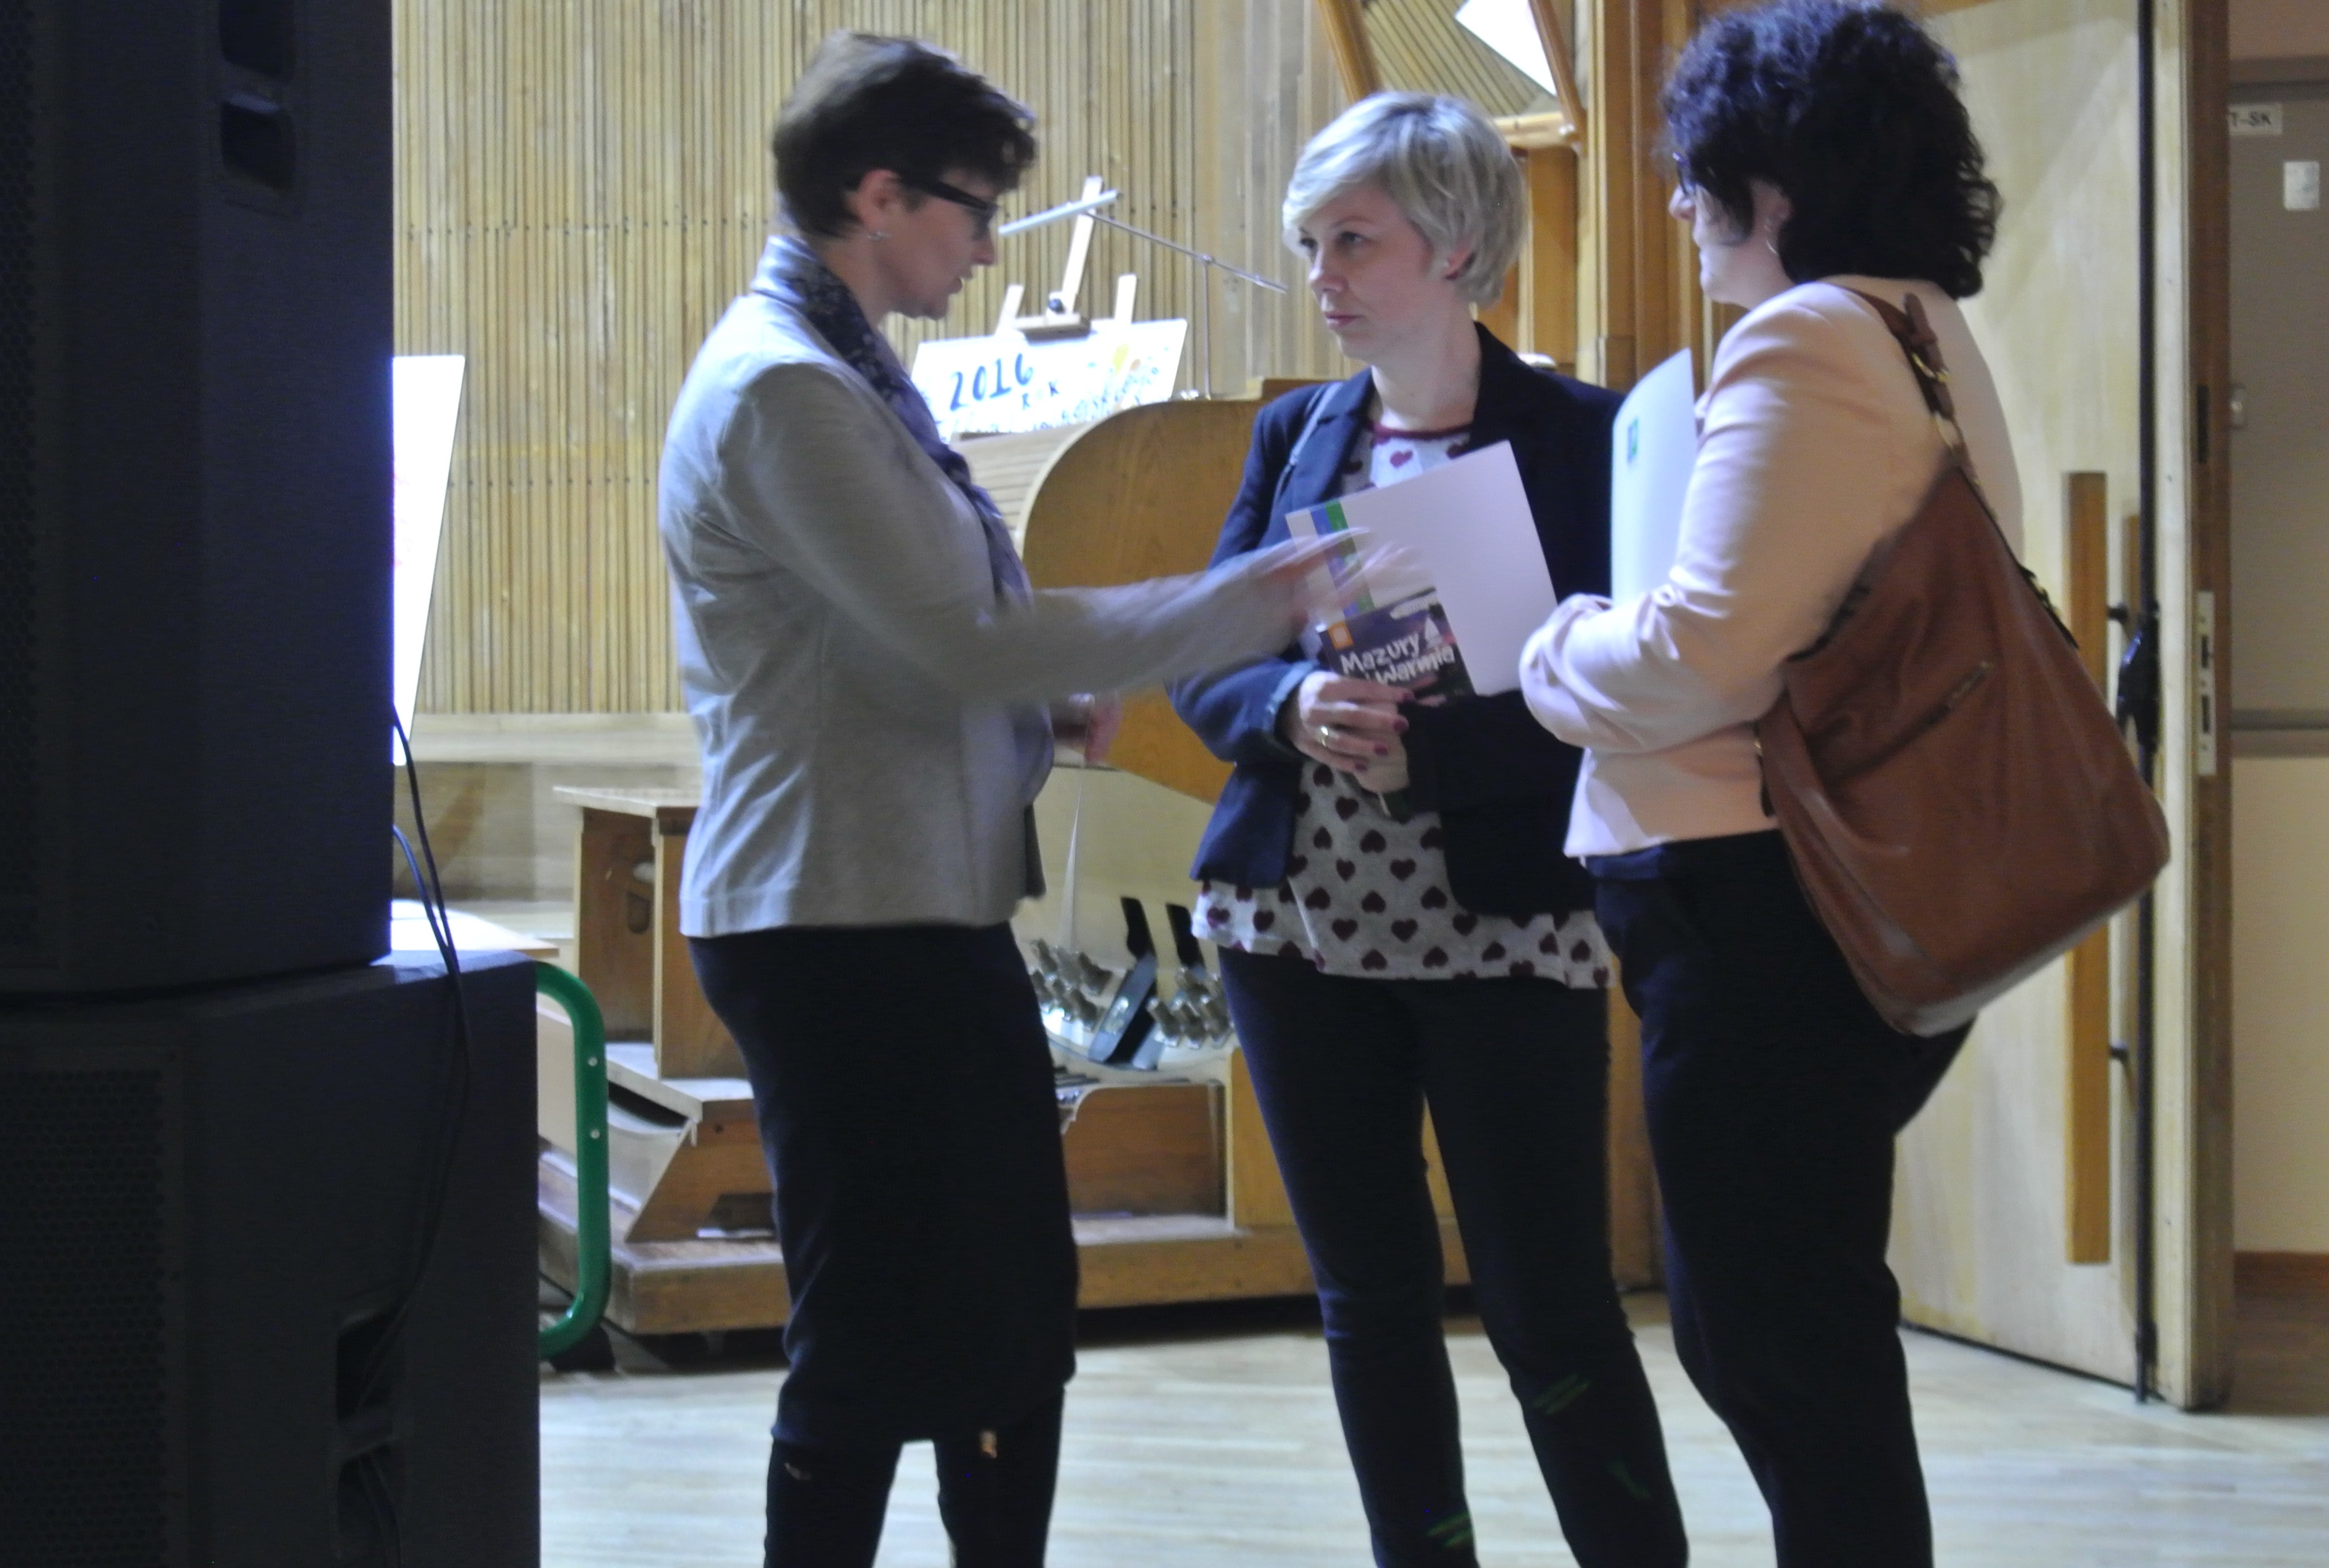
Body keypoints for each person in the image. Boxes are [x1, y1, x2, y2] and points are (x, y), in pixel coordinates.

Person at [657, 33, 1333, 1568]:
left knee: (1006, 1321)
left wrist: (1035, 706)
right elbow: (965, 635)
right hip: (838, 925)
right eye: (971, 209)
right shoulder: (785, 389)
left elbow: (907, 644)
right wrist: (1251, 600)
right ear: (877, 195)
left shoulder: (836, 362)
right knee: (882, 1335)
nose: (984, 248)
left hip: (901, 911)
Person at [1518, 4, 2018, 1564]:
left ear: (1780, 182)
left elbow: (1700, 655)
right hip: (1834, 899)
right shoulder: (1917, 324)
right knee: (1790, 1335)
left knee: (1783, 1347)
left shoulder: (1809, 341)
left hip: (1761, 907)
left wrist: (1551, 648)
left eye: (1699, 170)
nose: (1678, 199)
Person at [1169, 93, 1687, 1568]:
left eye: (1354, 241)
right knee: (1370, 1300)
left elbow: (1635, 691)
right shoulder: (1297, 432)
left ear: (1457, 247)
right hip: (1296, 926)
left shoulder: (1583, 438)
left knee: (1551, 1306)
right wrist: (1288, 705)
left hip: (1505, 921)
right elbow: (1205, 660)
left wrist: (1437, 750)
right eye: (1309, 244)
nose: (1320, 275)